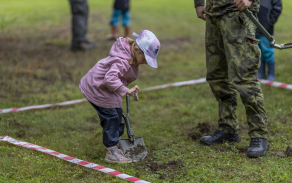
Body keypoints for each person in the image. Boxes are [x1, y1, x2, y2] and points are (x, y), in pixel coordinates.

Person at [195, 0, 269, 158]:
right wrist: (199, 2)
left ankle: (259, 134)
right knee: (216, 75)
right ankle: (227, 128)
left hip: (238, 12)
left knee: (244, 76)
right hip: (213, 13)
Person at [79, 30, 160, 163]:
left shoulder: (130, 58)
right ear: (135, 49)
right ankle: (111, 152)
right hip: (97, 89)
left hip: (107, 90)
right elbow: (109, 78)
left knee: (117, 114)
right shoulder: (122, 61)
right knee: (111, 118)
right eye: (145, 58)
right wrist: (126, 90)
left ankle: (116, 143)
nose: (145, 63)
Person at [256, 0, 282, 81]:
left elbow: (278, 7)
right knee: (258, 51)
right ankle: (261, 72)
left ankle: (271, 73)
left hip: (266, 29)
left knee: (267, 51)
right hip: (253, 29)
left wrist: (270, 21)